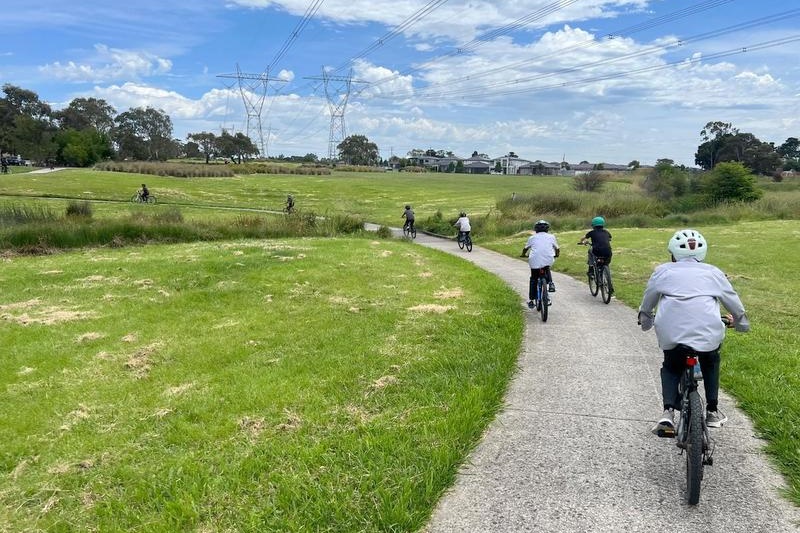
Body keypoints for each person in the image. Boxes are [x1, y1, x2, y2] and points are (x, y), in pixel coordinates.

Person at [638, 229, 749, 434]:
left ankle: (668, 413)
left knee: (671, 366)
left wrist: (645, 320)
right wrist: (741, 324)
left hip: (672, 333)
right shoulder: (714, 272)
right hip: (708, 332)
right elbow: (734, 303)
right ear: (702, 253)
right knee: (711, 359)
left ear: (672, 253)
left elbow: (648, 302)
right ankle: (712, 411)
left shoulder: (663, 271)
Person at [520, 219, 560, 307]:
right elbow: (557, 249)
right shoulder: (551, 237)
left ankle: (531, 300)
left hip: (534, 260)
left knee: (534, 278)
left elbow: (525, 249)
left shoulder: (532, 238)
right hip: (548, 259)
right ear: (547, 229)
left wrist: (523, 255)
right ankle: (551, 283)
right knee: (547, 267)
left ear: (536, 229)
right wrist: (556, 255)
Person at [578, 216, 614, 293]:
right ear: (603, 224)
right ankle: (610, 285)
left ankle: (591, 269)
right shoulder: (606, 232)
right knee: (606, 264)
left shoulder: (591, 232)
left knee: (590, 251)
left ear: (593, 225)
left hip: (597, 251)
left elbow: (583, 238)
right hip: (608, 252)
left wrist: (582, 242)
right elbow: (610, 238)